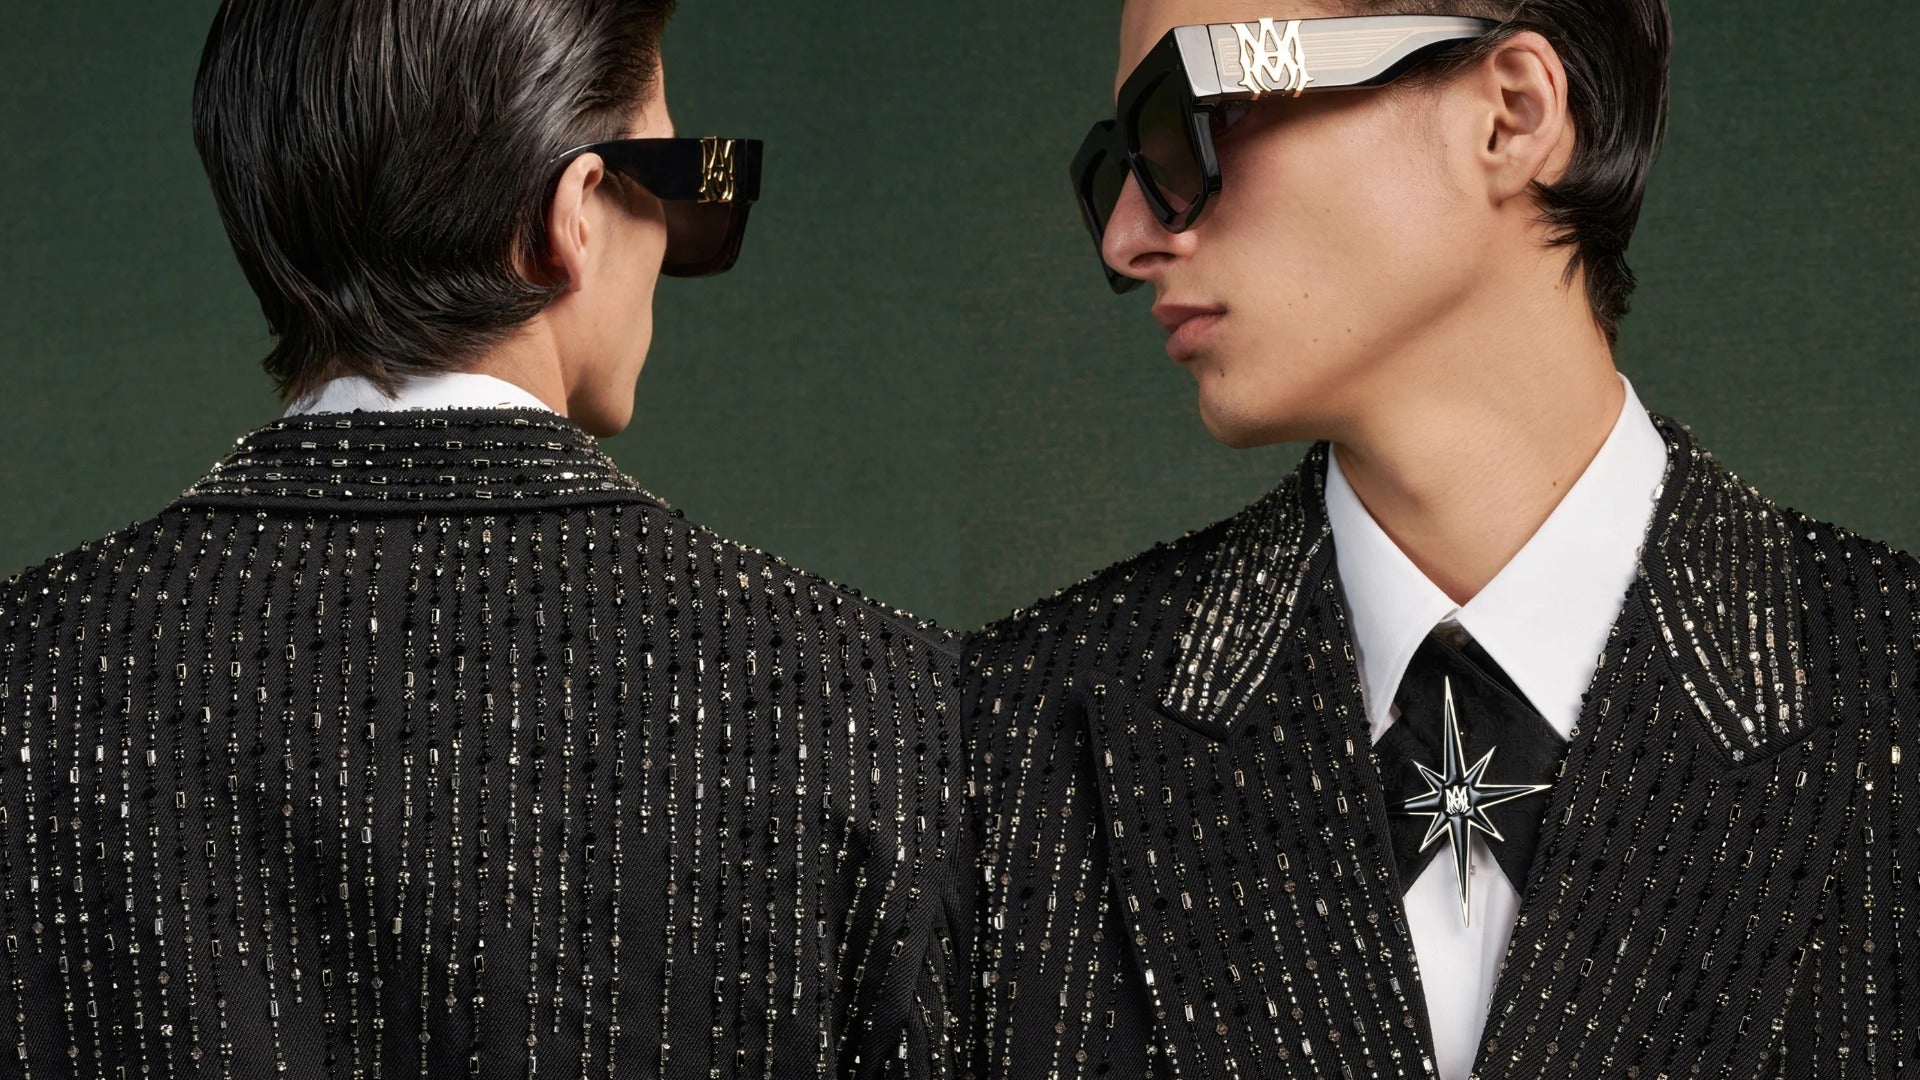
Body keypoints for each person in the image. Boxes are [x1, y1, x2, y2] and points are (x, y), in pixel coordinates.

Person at [0, 1, 965, 1075]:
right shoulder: (880, 710)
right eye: (684, 182)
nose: (672, 242)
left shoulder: (29, 676)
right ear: (578, 212)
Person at [964, 1, 1916, 1077]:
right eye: (1115, 169)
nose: (1127, 237)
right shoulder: (1001, 750)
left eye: (1195, 119)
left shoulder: (1888, 688)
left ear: (1509, 116)